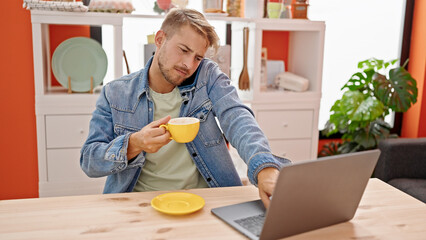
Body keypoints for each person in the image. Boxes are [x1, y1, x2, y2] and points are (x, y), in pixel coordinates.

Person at [80, 8, 290, 208]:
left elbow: (237, 118)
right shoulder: (115, 93)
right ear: (160, 39)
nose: (189, 65)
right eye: (183, 50)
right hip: (140, 203)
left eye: (198, 57)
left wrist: (265, 167)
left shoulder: (208, 76)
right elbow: (89, 160)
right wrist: (134, 143)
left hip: (206, 200)